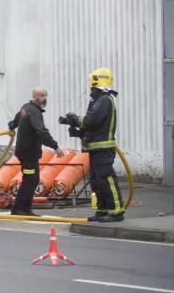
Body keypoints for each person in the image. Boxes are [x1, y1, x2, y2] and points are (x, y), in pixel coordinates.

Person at [62, 68, 122, 222]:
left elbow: (91, 121)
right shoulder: (98, 100)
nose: (91, 88)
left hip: (103, 148)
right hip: (95, 148)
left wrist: (75, 119)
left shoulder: (104, 100)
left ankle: (116, 211)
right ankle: (102, 210)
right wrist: (75, 128)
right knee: (96, 181)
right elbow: (91, 125)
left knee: (106, 179)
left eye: (92, 86)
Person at [8, 87, 64, 216]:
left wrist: (11, 126)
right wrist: (55, 147)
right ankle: (18, 209)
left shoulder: (25, 108)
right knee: (30, 180)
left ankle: (25, 208)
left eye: (45, 95)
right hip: (28, 154)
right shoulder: (34, 112)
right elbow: (41, 132)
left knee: (32, 179)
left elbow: (15, 121)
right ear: (34, 96)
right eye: (41, 95)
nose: (44, 98)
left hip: (27, 153)